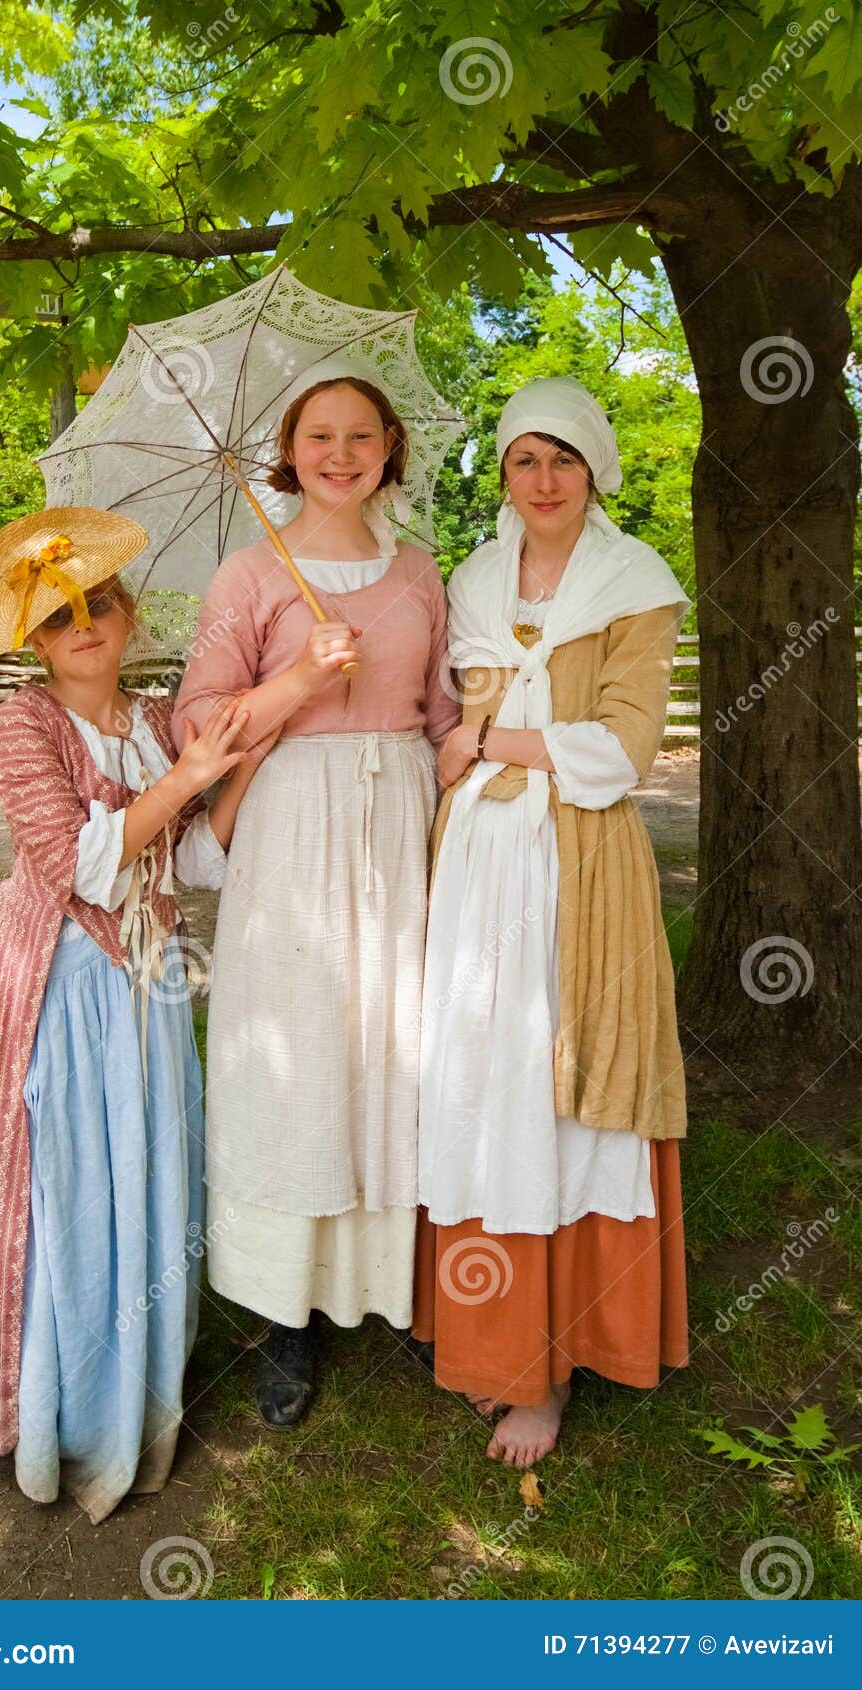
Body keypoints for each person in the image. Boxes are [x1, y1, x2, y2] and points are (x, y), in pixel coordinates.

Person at [0, 507, 267, 1523]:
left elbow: (193, 860)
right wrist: (189, 778)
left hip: (151, 980)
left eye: (99, 603)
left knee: (147, 1167)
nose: (83, 622)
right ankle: (61, 1410)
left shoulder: (160, 720)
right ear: (34, 639)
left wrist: (232, 769)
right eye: (59, 613)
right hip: (58, 982)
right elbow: (71, 860)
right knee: (69, 1182)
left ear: (127, 619)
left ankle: (139, 1395)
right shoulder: (26, 720)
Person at [173, 365, 459, 1426]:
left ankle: (395, 1288)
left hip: (398, 824)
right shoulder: (249, 573)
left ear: (390, 447)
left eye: (361, 435)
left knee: (397, 1046)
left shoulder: (424, 571)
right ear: (288, 453)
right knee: (292, 1057)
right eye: (318, 436)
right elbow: (195, 722)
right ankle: (284, 1313)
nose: (340, 453)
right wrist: (294, 681)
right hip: (292, 822)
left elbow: (441, 711)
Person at [413, 377, 690, 1468]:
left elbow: (620, 748)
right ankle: (497, 1342)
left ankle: (558, 1364)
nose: (543, 480)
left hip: (579, 868)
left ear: (595, 471)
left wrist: (488, 740)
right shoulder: (471, 580)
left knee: (562, 1086)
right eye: (525, 459)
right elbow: (447, 716)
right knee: (483, 1081)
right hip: (478, 866)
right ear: (505, 472)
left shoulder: (633, 582)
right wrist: (467, 739)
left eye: (563, 460)